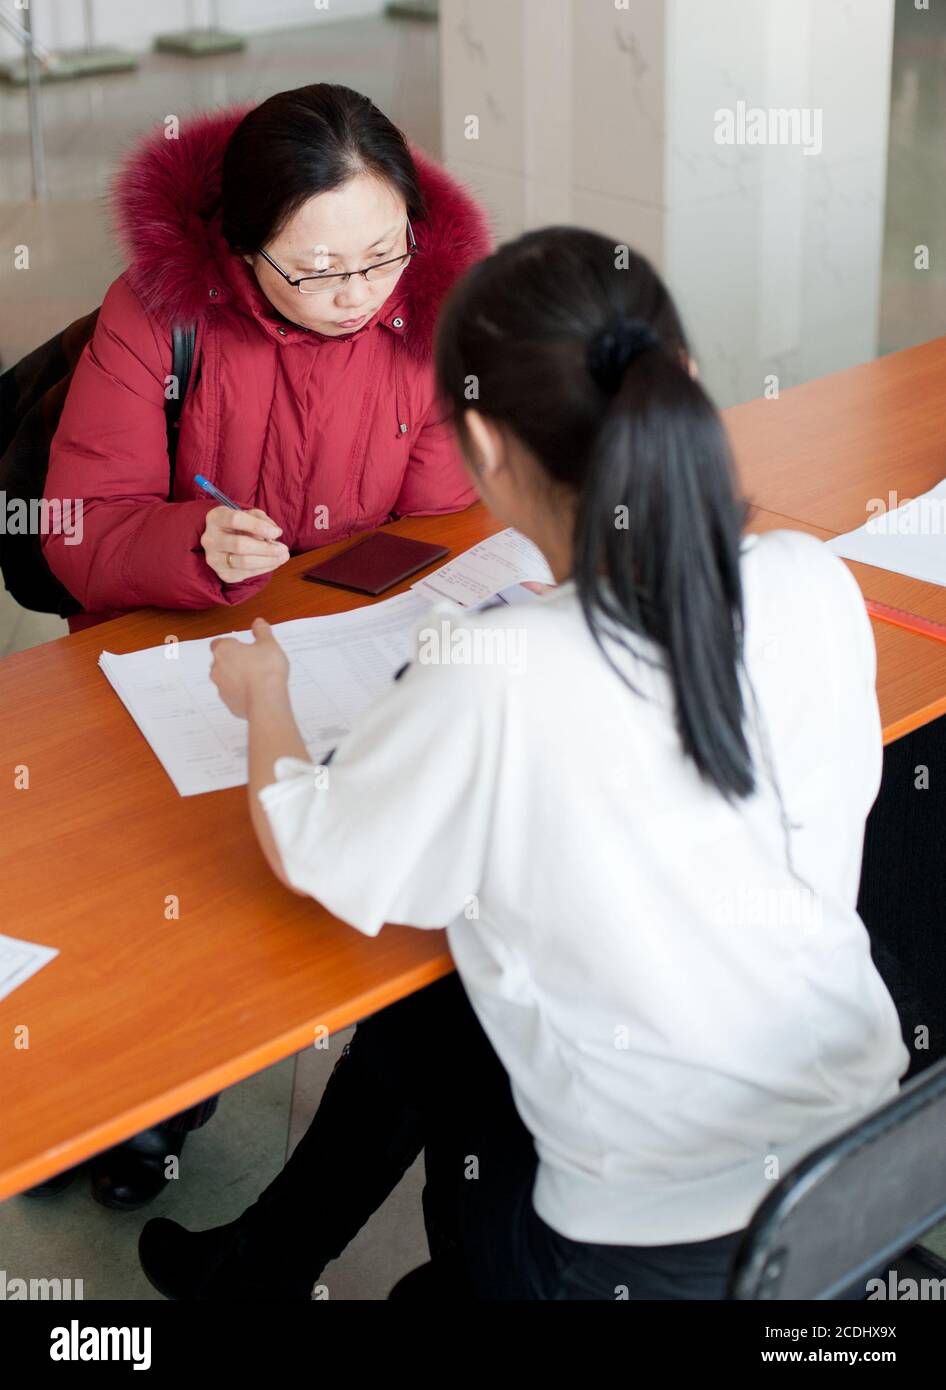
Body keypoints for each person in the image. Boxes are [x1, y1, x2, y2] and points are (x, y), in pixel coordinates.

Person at [139, 227, 909, 1299]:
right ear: (682, 382)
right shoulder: (808, 577)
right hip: (869, 1164)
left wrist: (264, 694)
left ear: (486, 453)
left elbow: (316, 850)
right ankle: (269, 1259)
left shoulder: (501, 669)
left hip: (646, 1249)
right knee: (460, 977)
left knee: (439, 1003)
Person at [31, 82, 490, 1211]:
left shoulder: (425, 306)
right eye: (318, 269)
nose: (358, 295)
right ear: (240, 249)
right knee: (169, 889)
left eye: (382, 256)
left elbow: (443, 522)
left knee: (351, 865)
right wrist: (192, 541)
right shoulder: (158, 313)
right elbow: (73, 522)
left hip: (340, 648)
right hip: (168, 650)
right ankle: (152, 1103)